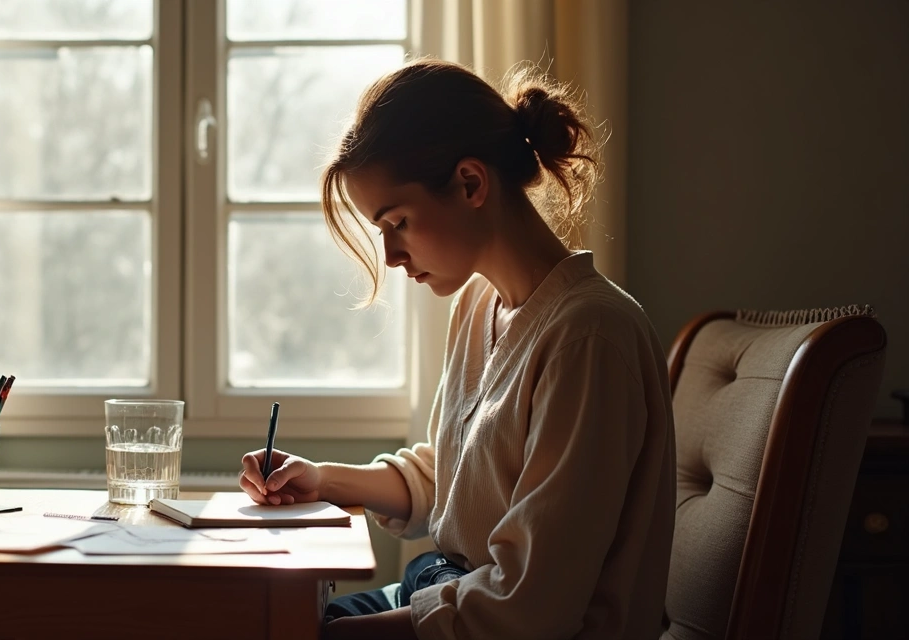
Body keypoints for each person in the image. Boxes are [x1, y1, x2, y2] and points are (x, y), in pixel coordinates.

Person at [239, 58, 676, 640]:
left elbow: (530, 604)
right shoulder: (477, 306)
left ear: (471, 183)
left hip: (508, 624)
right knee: (266, 618)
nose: (391, 256)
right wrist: (322, 480)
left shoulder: (589, 339)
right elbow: (453, 480)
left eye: (397, 222)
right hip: (447, 592)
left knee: (281, 625)